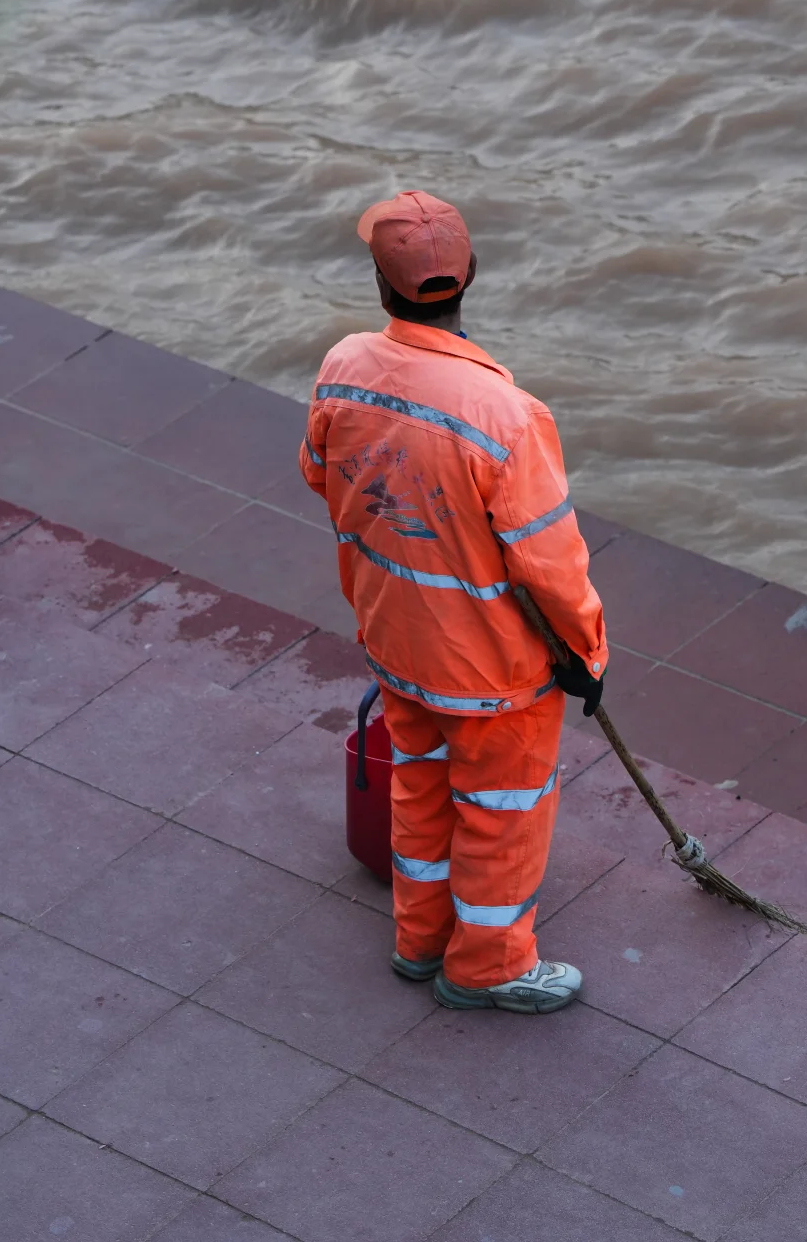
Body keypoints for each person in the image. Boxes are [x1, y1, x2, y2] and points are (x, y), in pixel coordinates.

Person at [299, 190, 608, 1013]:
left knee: (422, 790)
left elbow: (319, 474)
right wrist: (588, 655)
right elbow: (548, 562)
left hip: (395, 638)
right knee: (501, 816)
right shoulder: (506, 415)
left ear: (379, 283)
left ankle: (419, 940)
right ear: (470, 274)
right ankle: (488, 967)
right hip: (494, 671)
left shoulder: (344, 366)